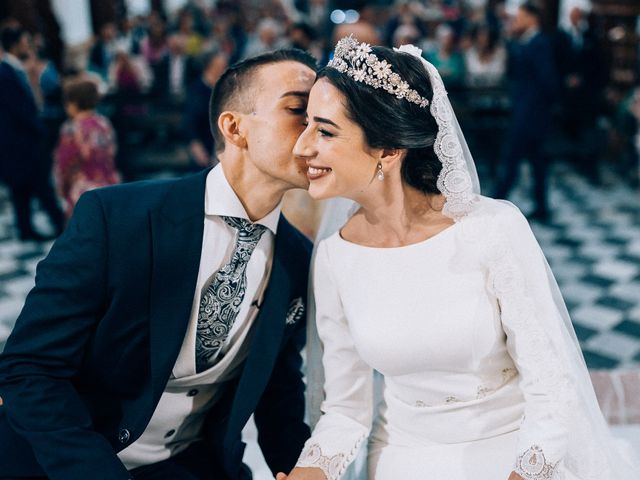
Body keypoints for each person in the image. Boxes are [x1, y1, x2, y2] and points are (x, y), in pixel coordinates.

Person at [280, 36, 639, 480]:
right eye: (306, 125)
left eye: (325, 130)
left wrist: (524, 473)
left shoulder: (490, 230)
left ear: (389, 150)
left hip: (514, 451)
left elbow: (552, 383)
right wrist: (312, 471)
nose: (301, 148)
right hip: (400, 458)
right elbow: (346, 410)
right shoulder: (335, 257)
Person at [0, 49, 317, 480]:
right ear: (234, 127)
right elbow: (29, 369)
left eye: (323, 115)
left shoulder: (298, 257)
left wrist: (304, 469)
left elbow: (279, 393)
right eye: (299, 109)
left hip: (191, 465)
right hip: (65, 461)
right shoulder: (117, 219)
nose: (317, 129)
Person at [493, 1, 559, 222]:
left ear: (532, 18)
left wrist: (538, 108)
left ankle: (496, 204)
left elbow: (548, 81)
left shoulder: (539, 43)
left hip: (531, 114)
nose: (516, 20)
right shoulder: (524, 42)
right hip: (525, 111)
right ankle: (541, 207)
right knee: (534, 162)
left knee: (515, 160)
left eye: (520, 17)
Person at [0, 26, 65, 241]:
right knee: (39, 185)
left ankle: (26, 229)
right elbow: (20, 109)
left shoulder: (17, 69)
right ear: (15, 44)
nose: (28, 45)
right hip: (19, 140)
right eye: (25, 41)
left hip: (20, 139)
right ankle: (59, 224)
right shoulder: (5, 72)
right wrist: (40, 129)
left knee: (23, 188)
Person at [53, 78, 120, 219]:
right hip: (108, 185)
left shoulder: (72, 129)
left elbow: (65, 161)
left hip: (82, 189)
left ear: (74, 104)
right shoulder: (104, 124)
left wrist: (62, 187)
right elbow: (111, 152)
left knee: (83, 232)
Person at [184, 48, 229, 169]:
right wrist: (196, 145)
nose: (224, 68)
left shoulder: (226, 88)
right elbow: (190, 122)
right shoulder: (196, 89)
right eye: (220, 65)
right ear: (210, 66)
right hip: (204, 141)